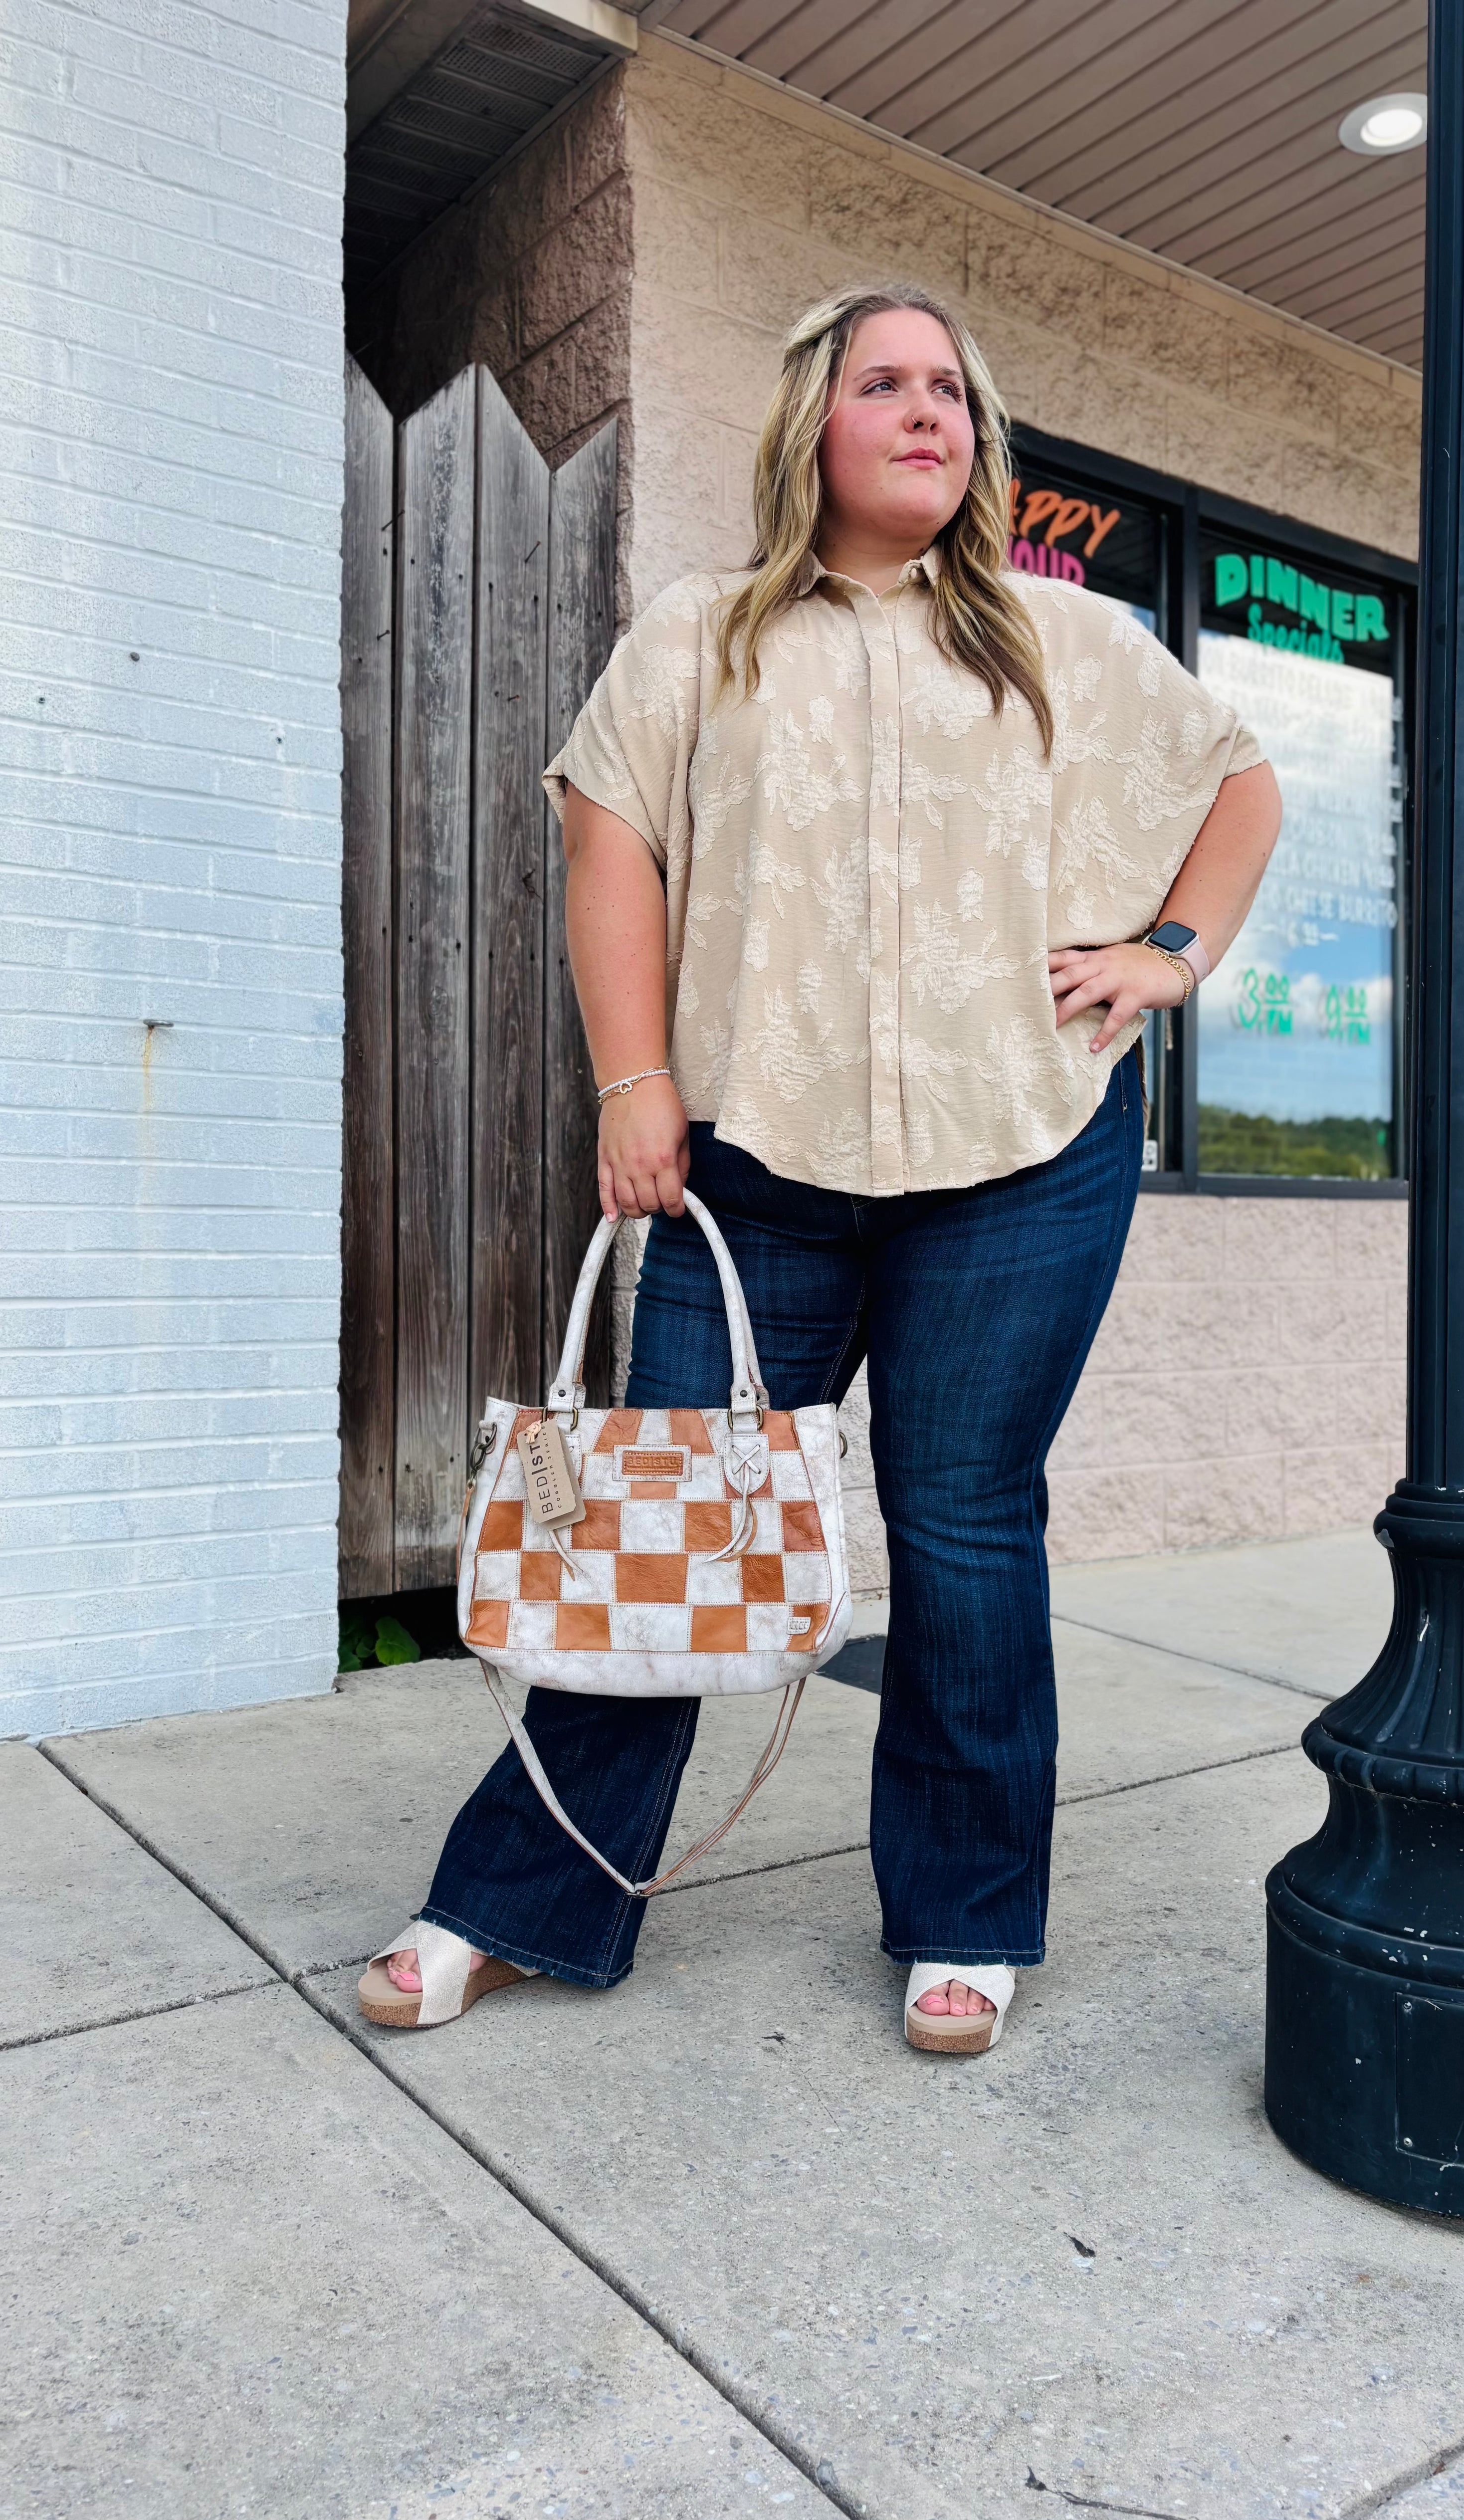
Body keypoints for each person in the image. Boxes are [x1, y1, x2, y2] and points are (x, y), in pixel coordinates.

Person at [360, 281, 1281, 2055]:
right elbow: (609, 844)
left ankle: (963, 1912)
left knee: (963, 1536)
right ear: (815, 423)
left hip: (1022, 1161)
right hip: (751, 1173)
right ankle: (522, 1898)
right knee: (657, 1532)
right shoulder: (701, 637)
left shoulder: (1061, 637)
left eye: (952, 388)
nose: (930, 410)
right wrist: (634, 1079)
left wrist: (1168, 952)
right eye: (888, 382)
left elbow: (1239, 785)